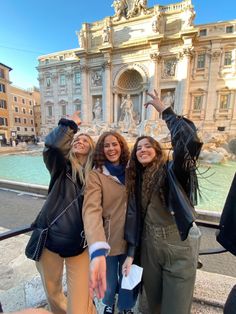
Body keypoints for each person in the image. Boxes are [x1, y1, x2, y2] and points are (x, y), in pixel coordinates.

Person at [122, 90, 203, 314]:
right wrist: (131, 253)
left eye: (148, 146)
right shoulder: (135, 180)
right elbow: (134, 221)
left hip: (177, 246)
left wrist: (166, 112)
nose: (143, 149)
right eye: (138, 148)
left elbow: (189, 141)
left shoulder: (173, 171)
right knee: (152, 305)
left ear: (157, 151)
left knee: (175, 309)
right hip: (149, 248)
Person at [32, 111, 96, 314]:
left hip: (80, 242)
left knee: (81, 298)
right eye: (76, 139)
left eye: (85, 140)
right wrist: (69, 126)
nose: (79, 141)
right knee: (52, 292)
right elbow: (53, 146)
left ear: (92, 148)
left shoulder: (97, 175)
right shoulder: (61, 167)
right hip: (50, 236)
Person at [82, 131, 137, 314]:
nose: (111, 148)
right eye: (106, 145)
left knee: (129, 276)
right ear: (101, 150)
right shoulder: (96, 175)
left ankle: (126, 307)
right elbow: (91, 210)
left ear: (121, 146)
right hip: (109, 238)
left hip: (133, 236)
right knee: (110, 279)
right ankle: (107, 303)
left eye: (115, 144)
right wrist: (97, 244)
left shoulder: (133, 170)